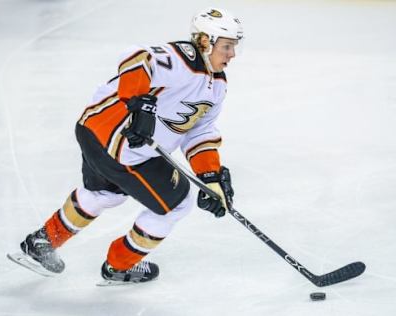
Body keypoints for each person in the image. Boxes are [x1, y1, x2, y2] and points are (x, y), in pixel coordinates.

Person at [13, 7, 244, 283]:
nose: (232, 54)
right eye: (227, 46)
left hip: (94, 131)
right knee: (177, 203)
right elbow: (137, 57)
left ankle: (42, 242)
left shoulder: (217, 86)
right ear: (205, 41)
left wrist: (211, 176)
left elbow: (199, 131)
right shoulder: (184, 59)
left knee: (103, 193)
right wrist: (140, 106)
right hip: (120, 145)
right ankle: (119, 265)